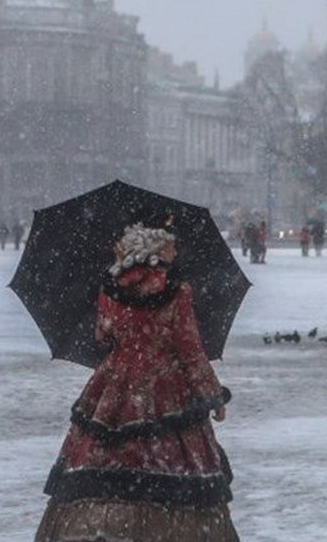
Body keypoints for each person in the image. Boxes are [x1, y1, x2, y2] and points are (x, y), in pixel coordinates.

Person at [36, 223, 238, 541]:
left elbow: (102, 337)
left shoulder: (109, 289)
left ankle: (100, 525)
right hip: (166, 385)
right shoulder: (178, 291)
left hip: (115, 385)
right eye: (170, 248)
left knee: (101, 453)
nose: (175, 252)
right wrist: (211, 395)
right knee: (174, 459)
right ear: (156, 252)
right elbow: (189, 349)